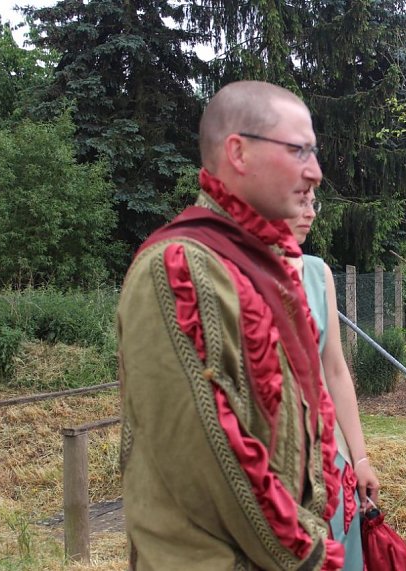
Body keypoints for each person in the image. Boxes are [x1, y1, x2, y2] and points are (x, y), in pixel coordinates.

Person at [117, 81, 345, 570]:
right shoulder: (178, 266)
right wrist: (308, 551)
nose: (315, 172)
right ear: (238, 152)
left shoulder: (260, 264)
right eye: (299, 150)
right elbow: (209, 454)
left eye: (314, 151)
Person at [284, 193, 381, 571]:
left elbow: (336, 370)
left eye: (313, 203)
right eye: (299, 201)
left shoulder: (317, 272)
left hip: (327, 457)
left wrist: (359, 458)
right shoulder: (228, 273)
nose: (310, 212)